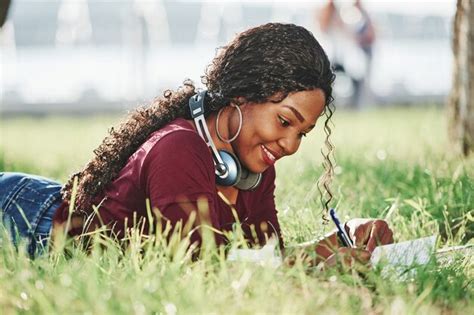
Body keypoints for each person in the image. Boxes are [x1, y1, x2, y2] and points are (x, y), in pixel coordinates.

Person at [0, 23, 393, 266]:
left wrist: (336, 247)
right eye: (285, 121)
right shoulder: (180, 149)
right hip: (21, 219)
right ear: (243, 95)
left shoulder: (253, 167)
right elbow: (200, 270)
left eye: (302, 133)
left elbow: (263, 263)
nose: (290, 144)